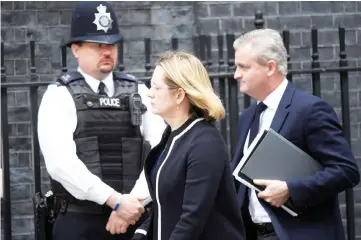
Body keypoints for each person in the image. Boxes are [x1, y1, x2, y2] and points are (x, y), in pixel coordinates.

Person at [37, 1, 166, 239]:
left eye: (111, 45)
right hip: (80, 221)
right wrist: (115, 201)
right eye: (97, 45)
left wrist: (131, 205)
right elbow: (60, 163)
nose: (107, 52)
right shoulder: (59, 95)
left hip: (134, 218)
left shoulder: (138, 90)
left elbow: (162, 150)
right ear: (76, 49)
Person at [231, 28, 360, 240]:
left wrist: (291, 189)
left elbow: (346, 171)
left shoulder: (309, 110)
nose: (236, 74)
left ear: (270, 67)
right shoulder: (248, 116)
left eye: (243, 67)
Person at [129, 51, 245, 240]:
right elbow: (165, 203)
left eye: (156, 87)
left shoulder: (205, 142)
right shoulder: (172, 136)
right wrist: (143, 231)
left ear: (179, 95)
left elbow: (193, 217)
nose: (149, 93)